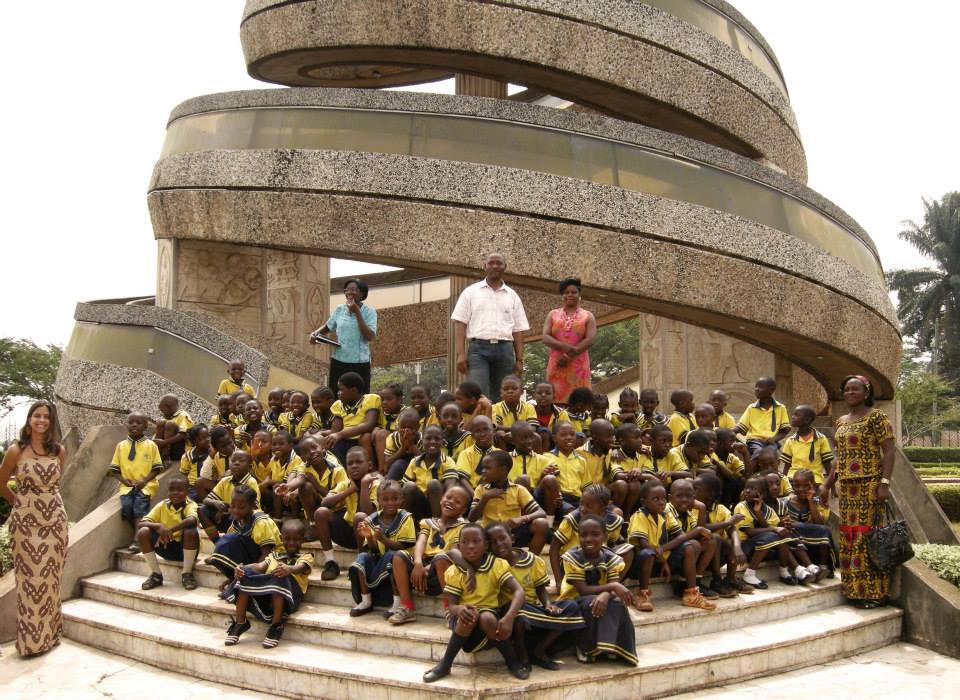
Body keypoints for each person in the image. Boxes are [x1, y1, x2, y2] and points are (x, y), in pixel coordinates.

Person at [1, 400, 67, 657]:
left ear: (51, 422)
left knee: (51, 581)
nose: (41, 420)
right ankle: (30, 643)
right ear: (29, 420)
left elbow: (56, 484)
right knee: (30, 581)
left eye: (46, 417)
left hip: (55, 524)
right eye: (37, 416)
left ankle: (50, 636)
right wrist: (19, 504)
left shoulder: (58, 450)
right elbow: (1, 482)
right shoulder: (16, 450)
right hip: (25, 525)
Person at [823, 375, 895, 608]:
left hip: (869, 485)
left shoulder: (877, 417)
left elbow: (890, 452)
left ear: (866, 392)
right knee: (850, 537)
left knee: (868, 538)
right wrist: (827, 483)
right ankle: (854, 590)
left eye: (855, 389)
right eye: (846, 389)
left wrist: (884, 483)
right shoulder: (842, 421)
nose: (850, 392)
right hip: (848, 489)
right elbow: (839, 457)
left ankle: (875, 593)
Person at [422, 522, 527, 682]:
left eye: (476, 541)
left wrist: (509, 618)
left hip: (489, 617)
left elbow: (519, 591)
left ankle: (512, 661)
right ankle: (445, 664)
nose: (470, 546)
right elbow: (451, 605)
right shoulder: (455, 570)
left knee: (486, 617)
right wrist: (459, 609)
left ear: (485, 545)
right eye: (465, 542)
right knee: (469, 613)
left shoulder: (497, 565)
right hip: (462, 620)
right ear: (459, 546)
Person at [557, 515, 637, 665]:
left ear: (605, 537)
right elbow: (583, 590)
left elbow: (613, 586)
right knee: (591, 602)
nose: (588, 539)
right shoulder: (572, 557)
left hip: (597, 595)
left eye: (595, 534)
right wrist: (612, 587)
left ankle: (614, 646)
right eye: (584, 535)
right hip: (573, 601)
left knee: (617, 603)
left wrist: (606, 594)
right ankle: (585, 646)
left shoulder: (610, 558)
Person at [451, 253, 530, 402]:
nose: (495, 266)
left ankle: (499, 426)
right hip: (478, 351)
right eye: (491, 263)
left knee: (503, 396)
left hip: (505, 351)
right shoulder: (470, 292)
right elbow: (460, 323)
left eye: (499, 263)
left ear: (505, 267)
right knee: (477, 395)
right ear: (485, 267)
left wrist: (520, 360)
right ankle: (479, 425)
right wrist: (460, 355)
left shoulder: (512, 296)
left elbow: (518, 330)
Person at [224, 520, 314, 649]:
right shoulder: (275, 555)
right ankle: (240, 622)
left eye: (296, 539)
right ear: (281, 539)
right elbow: (260, 566)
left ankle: (276, 625)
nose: (292, 543)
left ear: (303, 540)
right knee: (245, 573)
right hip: (269, 595)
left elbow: (301, 567)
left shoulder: (306, 556)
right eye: (287, 539)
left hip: (290, 598)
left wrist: (290, 569)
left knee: (280, 574)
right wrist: (241, 568)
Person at [387, 485, 468, 625]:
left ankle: (450, 609)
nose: (450, 502)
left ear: (464, 510)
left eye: (457, 501)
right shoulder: (429, 523)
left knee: (442, 557)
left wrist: (428, 568)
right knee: (399, 556)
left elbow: (453, 551)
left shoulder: (463, 527)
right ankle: (407, 606)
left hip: (444, 569)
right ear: (441, 498)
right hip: (423, 565)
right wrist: (418, 564)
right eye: (448, 497)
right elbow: (421, 542)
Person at [348, 480, 417, 617]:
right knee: (362, 557)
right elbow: (373, 550)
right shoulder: (372, 519)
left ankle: (397, 602)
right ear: (378, 500)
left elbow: (404, 546)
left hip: (401, 562)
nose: (390, 503)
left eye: (394, 499)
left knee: (392, 555)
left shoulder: (406, 518)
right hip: (381, 559)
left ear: (402, 499)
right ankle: (366, 599)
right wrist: (368, 537)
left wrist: (383, 539)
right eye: (385, 499)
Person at [312, 446, 380, 580]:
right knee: (321, 513)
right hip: (349, 534)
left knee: (360, 517)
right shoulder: (345, 484)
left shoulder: (376, 484)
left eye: (359, 462)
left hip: (370, 536)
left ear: (370, 465)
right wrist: (350, 490)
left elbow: (367, 513)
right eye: (350, 463)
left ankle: (363, 561)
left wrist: (365, 486)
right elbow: (324, 503)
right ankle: (331, 562)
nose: (354, 466)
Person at [468, 450, 549, 553]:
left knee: (541, 523)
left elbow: (541, 512)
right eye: (483, 468)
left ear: (503, 470)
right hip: (490, 533)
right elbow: (471, 518)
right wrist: (484, 499)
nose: (483, 471)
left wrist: (522, 518)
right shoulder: (481, 490)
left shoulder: (518, 489)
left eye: (488, 468)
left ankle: (532, 560)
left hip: (513, 533)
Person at [109, 412, 164, 552]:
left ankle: (137, 540)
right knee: (127, 509)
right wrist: (124, 480)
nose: (134, 425)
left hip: (145, 486)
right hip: (127, 487)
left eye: (138, 422)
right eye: (131, 422)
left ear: (145, 426)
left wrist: (144, 481)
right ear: (126, 425)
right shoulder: (121, 446)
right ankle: (145, 533)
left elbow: (157, 468)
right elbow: (114, 470)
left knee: (139, 509)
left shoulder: (151, 446)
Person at [313, 278, 378, 393]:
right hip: (339, 360)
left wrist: (357, 311)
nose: (349, 292)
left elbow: (369, 336)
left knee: (359, 395)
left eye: (353, 290)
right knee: (336, 393)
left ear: (362, 293)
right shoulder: (339, 309)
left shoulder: (370, 312)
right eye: (346, 290)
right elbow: (328, 326)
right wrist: (315, 334)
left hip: (359, 363)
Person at [136, 474, 200, 590]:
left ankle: (187, 574)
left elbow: (192, 519)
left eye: (180, 490)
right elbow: (141, 523)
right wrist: (158, 526)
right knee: (143, 532)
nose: (175, 493)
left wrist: (170, 530)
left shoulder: (191, 505)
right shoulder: (162, 505)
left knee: (191, 531)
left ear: (187, 492)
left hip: (184, 548)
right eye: (172, 490)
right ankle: (156, 575)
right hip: (165, 546)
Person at [542, 277, 596, 404]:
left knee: (580, 400)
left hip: (578, 365)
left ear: (579, 294)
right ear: (562, 295)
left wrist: (568, 355)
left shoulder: (588, 316)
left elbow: (590, 339)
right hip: (557, 363)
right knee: (555, 397)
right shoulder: (553, 314)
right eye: (566, 292)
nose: (570, 295)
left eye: (573, 292)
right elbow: (545, 337)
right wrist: (563, 347)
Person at [325, 371, 382, 466]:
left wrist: (339, 434)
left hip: (361, 438)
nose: (338, 393)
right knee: (332, 448)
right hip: (345, 439)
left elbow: (369, 424)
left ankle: (371, 469)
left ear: (354, 390)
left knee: (366, 437)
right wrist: (326, 435)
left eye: (341, 390)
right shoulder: (338, 405)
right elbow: (336, 430)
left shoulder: (370, 399)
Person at [735, 377, 791, 461]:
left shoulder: (781, 408)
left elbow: (785, 430)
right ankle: (750, 471)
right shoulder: (751, 408)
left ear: (771, 390)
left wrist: (774, 439)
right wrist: (730, 431)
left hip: (771, 443)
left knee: (771, 456)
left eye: (760, 387)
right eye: (756, 386)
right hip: (754, 441)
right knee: (759, 452)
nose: (756, 389)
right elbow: (741, 427)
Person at [779, 405, 835, 485]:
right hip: (794, 478)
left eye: (796, 415)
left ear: (807, 420)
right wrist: (783, 483)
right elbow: (787, 465)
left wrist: (831, 487)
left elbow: (827, 464)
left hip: (815, 479)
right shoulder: (790, 441)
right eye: (793, 414)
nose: (792, 417)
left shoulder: (821, 439)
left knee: (813, 493)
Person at [154, 394, 193, 463]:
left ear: (169, 408)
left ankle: (165, 457)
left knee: (170, 424)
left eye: (163, 411)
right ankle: (155, 452)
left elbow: (183, 434)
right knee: (160, 422)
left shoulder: (183, 415)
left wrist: (164, 442)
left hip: (180, 449)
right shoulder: (170, 417)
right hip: (168, 445)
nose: (162, 414)